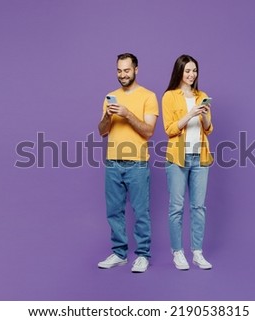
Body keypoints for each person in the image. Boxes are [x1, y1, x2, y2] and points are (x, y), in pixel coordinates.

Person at [97, 53, 159, 273]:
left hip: (137, 163)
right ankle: (119, 253)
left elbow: (148, 131)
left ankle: (142, 255)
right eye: (119, 70)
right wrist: (109, 116)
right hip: (113, 162)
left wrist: (127, 113)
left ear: (136, 70)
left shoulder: (149, 97)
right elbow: (103, 132)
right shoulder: (109, 96)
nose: (122, 75)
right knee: (114, 211)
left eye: (126, 70)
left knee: (141, 211)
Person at [162, 54, 214, 270]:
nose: (192, 75)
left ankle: (197, 253)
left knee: (198, 207)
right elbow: (170, 130)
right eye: (188, 71)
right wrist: (190, 112)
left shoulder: (202, 95)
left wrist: (203, 115)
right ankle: (178, 253)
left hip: (200, 158)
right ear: (180, 72)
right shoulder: (169, 97)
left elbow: (209, 128)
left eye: (194, 71)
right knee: (176, 208)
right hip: (177, 158)